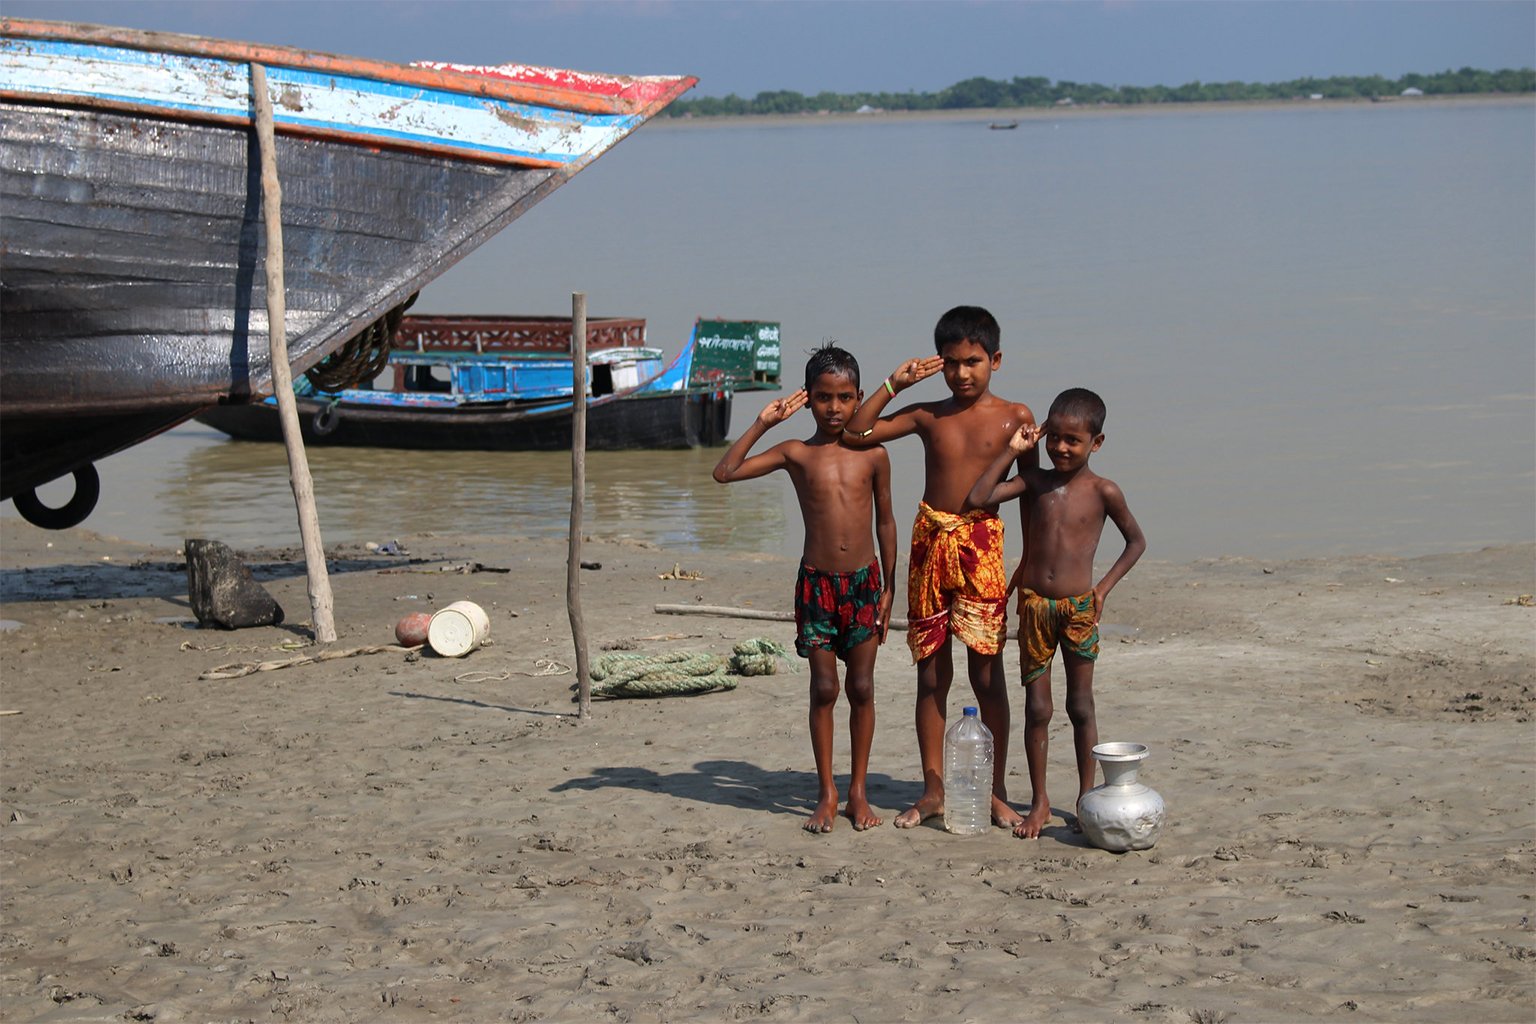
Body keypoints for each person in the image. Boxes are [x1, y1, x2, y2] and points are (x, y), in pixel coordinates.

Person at [841, 306, 1035, 830]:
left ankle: (993, 789)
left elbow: (1035, 487)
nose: (961, 373)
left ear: (995, 359)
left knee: (986, 672)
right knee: (931, 673)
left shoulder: (1016, 416)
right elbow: (856, 435)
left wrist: (1030, 552)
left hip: (982, 548)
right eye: (950, 363)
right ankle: (934, 790)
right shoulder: (928, 414)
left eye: (972, 361)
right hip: (930, 544)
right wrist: (892, 384)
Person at [712, 345, 897, 833]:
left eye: (844, 397)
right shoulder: (796, 452)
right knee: (823, 688)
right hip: (817, 585)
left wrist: (889, 587)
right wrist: (763, 423)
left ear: (859, 397)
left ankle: (857, 790)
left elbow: (887, 521)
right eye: (822, 397)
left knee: (861, 687)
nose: (834, 408)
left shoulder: (875, 454)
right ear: (808, 399)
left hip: (864, 584)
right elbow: (725, 472)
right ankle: (826, 792)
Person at [966, 387, 1147, 839]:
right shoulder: (1035, 482)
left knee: (1080, 705)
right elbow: (980, 495)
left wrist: (1102, 589)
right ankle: (1041, 801)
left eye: (1073, 441)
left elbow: (1136, 542)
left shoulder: (1104, 491)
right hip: (1035, 607)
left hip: (1079, 608)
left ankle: (1088, 798)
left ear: (1096, 443)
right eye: (1055, 438)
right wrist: (1014, 449)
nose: (1061, 448)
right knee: (1038, 707)